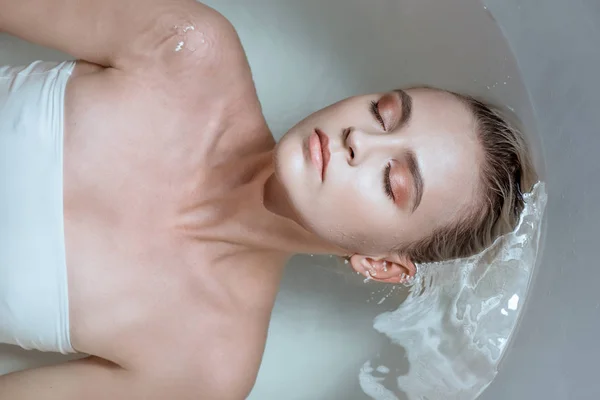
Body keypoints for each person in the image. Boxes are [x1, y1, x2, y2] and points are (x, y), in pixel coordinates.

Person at [0, 0, 536, 398]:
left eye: (392, 181)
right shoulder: (189, 51)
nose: (360, 141)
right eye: (384, 113)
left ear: (380, 263)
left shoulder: (206, 366)